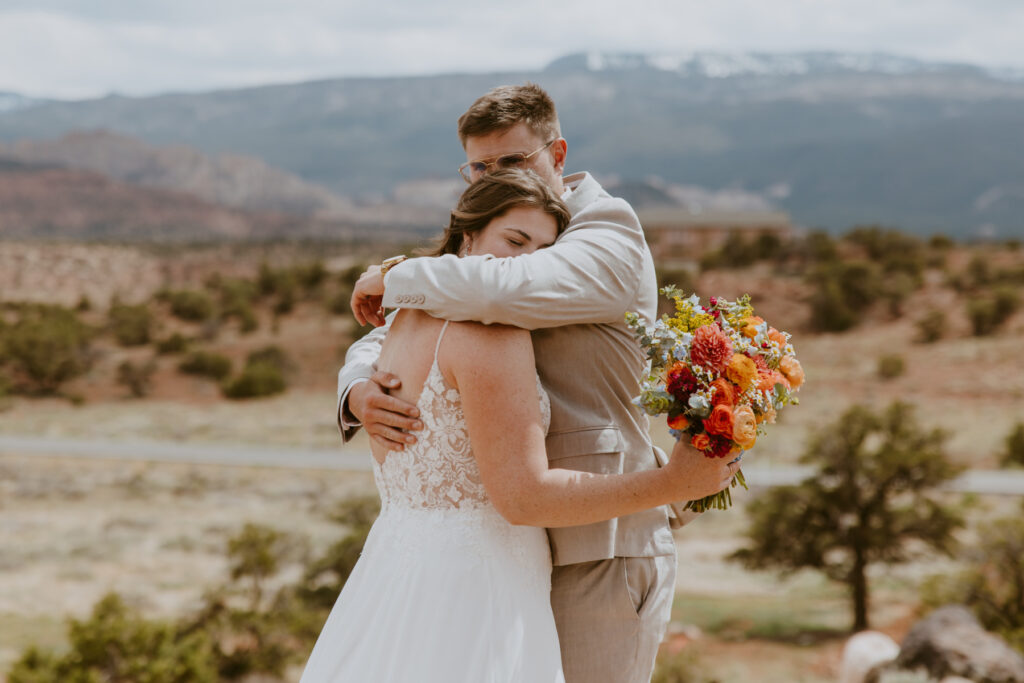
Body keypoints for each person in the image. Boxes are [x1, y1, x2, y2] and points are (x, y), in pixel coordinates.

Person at [303, 169, 737, 682]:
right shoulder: (491, 335)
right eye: (514, 239)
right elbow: (522, 497)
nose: (527, 262)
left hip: (395, 576)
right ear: (468, 234)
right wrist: (673, 484)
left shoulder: (402, 321)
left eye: (543, 250)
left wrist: (355, 388)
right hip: (480, 591)